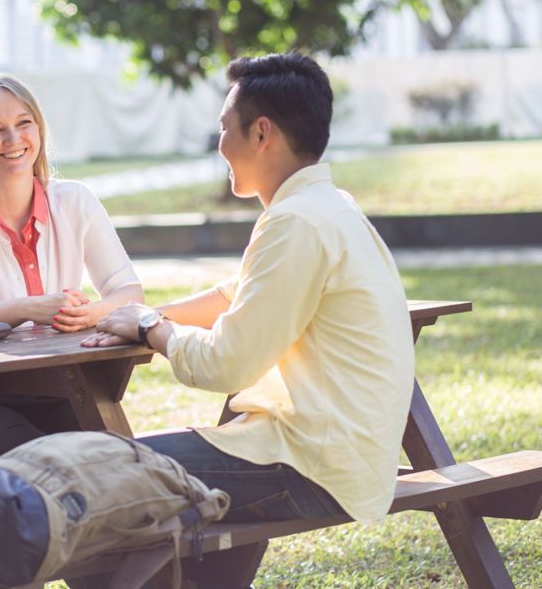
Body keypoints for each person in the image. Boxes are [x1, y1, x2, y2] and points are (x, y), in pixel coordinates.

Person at [85, 52, 416, 529]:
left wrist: (148, 326)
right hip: (343, 462)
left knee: (94, 474)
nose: (218, 143)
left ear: (261, 133)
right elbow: (238, 293)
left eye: (224, 127)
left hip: (313, 468)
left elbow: (225, 363)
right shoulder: (329, 206)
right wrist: (145, 313)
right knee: (107, 478)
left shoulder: (296, 221)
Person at [0, 74, 144, 455]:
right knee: (44, 476)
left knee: (119, 466)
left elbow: (130, 292)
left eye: (23, 123)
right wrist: (30, 309)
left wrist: (91, 314)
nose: (13, 140)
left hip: (70, 386)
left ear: (38, 129)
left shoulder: (76, 200)